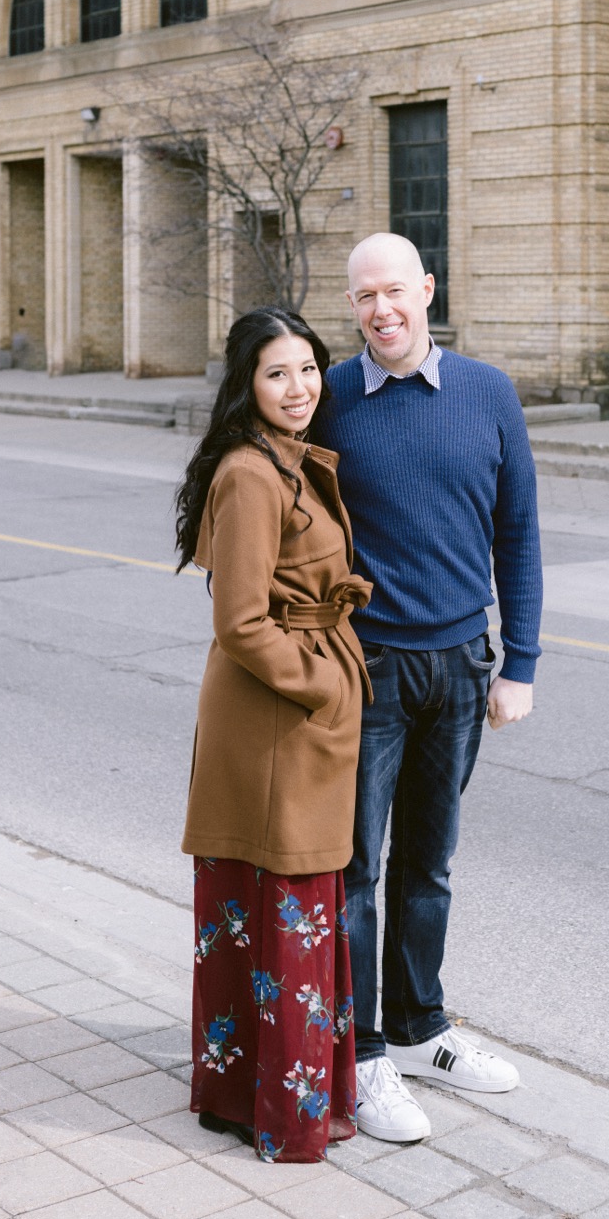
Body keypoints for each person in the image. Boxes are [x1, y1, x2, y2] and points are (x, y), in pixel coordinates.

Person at [312, 232, 542, 1143]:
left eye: (396, 291)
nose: (382, 311)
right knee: (358, 868)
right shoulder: (327, 397)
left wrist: (519, 662)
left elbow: (517, 534)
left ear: (428, 290)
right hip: (365, 671)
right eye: (365, 297)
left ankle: (419, 1031)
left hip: (460, 668)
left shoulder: (487, 393)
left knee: (428, 866)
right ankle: (361, 1053)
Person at [176, 306, 373, 1162]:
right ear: (246, 386)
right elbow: (241, 622)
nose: (298, 389)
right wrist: (324, 685)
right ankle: (280, 1115)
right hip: (275, 718)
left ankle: (243, 1095)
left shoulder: (284, 460)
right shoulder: (253, 476)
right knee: (283, 908)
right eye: (276, 374)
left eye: (307, 370)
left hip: (285, 714)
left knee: (269, 913)